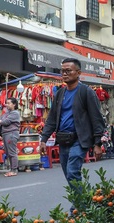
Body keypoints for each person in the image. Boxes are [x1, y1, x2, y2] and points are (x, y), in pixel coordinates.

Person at [39, 58, 106, 203]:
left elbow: (96, 118)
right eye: (62, 71)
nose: (64, 74)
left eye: (68, 71)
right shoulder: (60, 94)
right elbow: (51, 119)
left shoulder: (86, 92)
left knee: (72, 172)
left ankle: (80, 207)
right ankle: (83, 202)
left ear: (78, 73)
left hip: (79, 140)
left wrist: (97, 143)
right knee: (69, 175)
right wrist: (44, 139)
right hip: (63, 140)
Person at [0, 97, 21, 176]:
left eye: (8, 103)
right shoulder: (7, 113)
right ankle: (11, 169)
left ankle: (14, 170)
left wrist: (0, 121)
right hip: (6, 134)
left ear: (14, 104)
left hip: (11, 134)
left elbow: (5, 122)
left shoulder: (15, 113)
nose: (6, 105)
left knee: (12, 152)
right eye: (6, 103)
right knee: (8, 153)